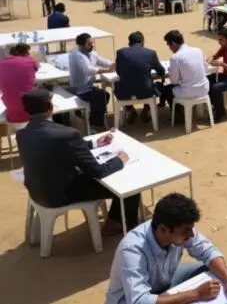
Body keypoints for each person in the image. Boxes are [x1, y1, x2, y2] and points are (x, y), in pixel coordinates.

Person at [17, 88, 140, 233]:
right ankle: (117, 223)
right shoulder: (67, 134)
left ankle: (115, 220)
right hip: (62, 194)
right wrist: (119, 160)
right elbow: (97, 171)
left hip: (38, 191)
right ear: (49, 107)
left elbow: (55, 147)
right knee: (130, 187)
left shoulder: (22, 134)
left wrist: (94, 144)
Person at [105, 193, 227, 304]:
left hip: (164, 283)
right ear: (163, 229)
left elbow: (207, 251)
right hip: (130, 300)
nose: (191, 235)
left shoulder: (179, 227)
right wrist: (195, 294)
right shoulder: (132, 250)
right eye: (186, 231)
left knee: (209, 269)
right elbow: (139, 301)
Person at [114, 31, 166, 124]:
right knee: (157, 86)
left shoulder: (120, 52)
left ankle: (131, 109)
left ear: (129, 42)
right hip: (145, 91)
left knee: (120, 84)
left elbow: (118, 72)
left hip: (124, 92)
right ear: (142, 41)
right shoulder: (150, 53)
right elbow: (161, 71)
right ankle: (145, 111)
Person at [69, 33, 114, 130]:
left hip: (89, 87)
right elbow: (88, 70)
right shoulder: (76, 55)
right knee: (101, 96)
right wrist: (107, 70)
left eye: (92, 43)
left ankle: (94, 119)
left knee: (105, 95)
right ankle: (95, 124)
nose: (92, 45)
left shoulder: (90, 52)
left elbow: (103, 61)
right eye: (89, 44)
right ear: (82, 45)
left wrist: (114, 64)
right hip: (79, 89)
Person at [159, 30, 209, 116]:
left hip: (188, 92)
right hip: (204, 88)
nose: (169, 48)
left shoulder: (175, 57)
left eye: (168, 45)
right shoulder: (198, 50)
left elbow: (174, 81)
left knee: (167, 89)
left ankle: (178, 116)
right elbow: (205, 67)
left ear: (173, 44)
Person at [0, 43, 38, 124]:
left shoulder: (2, 63)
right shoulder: (30, 61)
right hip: (30, 111)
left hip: (11, 110)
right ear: (25, 53)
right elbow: (36, 66)